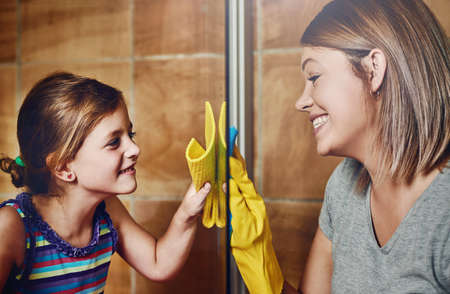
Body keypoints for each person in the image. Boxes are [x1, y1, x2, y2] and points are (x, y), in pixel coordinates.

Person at [228, 0, 449, 293]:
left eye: (314, 77)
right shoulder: (344, 188)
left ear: (373, 69)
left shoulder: (443, 211)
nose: (301, 101)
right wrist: (261, 263)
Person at [0, 72, 211, 293]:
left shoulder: (107, 210)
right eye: (114, 142)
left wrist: (187, 213)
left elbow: (158, 263)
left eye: (131, 134)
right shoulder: (12, 227)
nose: (134, 149)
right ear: (63, 167)